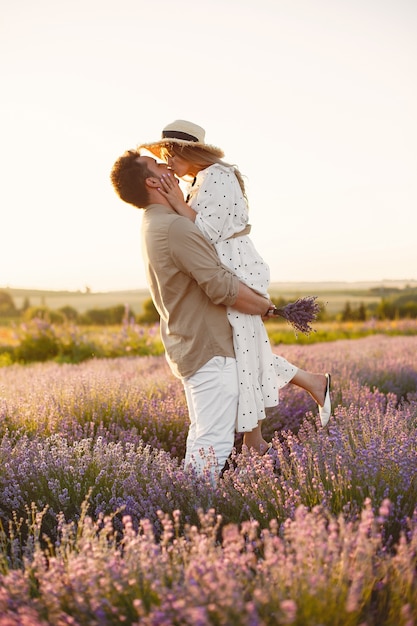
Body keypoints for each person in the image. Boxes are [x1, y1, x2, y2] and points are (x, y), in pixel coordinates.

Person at [138, 120, 331, 454]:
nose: (167, 160)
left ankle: (258, 436)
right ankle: (258, 437)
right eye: (163, 154)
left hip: (237, 266)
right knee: (244, 349)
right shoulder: (201, 180)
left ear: (189, 149)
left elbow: (206, 233)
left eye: (170, 151)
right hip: (229, 264)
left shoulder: (217, 176)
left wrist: (174, 201)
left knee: (243, 349)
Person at [110, 149, 278, 479]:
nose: (165, 164)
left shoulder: (153, 224)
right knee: (213, 444)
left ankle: (189, 509)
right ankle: (196, 517)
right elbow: (221, 285)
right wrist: (265, 306)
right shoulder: (174, 227)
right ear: (152, 181)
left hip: (191, 345)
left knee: (202, 440)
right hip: (209, 348)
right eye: (157, 164)